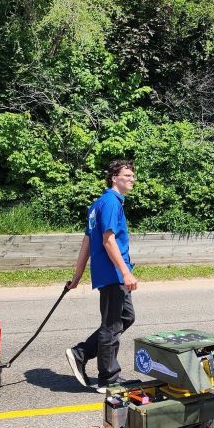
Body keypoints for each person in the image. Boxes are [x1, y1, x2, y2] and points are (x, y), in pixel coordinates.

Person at [65, 160, 139, 390]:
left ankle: (83, 352)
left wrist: (77, 275)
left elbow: (87, 241)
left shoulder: (97, 204)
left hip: (110, 273)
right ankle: (108, 378)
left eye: (133, 175)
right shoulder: (110, 202)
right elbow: (108, 240)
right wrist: (125, 272)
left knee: (126, 317)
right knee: (112, 325)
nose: (132, 179)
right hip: (113, 273)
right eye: (127, 175)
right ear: (114, 177)